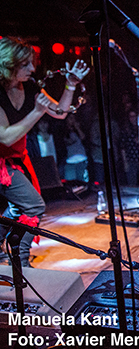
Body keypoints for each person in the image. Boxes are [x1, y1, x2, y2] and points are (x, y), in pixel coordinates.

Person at [0, 37, 89, 266]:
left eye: (32, 63)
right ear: (9, 65)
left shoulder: (29, 87)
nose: (32, 69)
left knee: (22, 207)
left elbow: (59, 111)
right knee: (33, 206)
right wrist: (36, 113)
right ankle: (20, 262)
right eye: (25, 65)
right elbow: (6, 137)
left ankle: (14, 256)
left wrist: (70, 85)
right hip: (2, 162)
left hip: (15, 160)